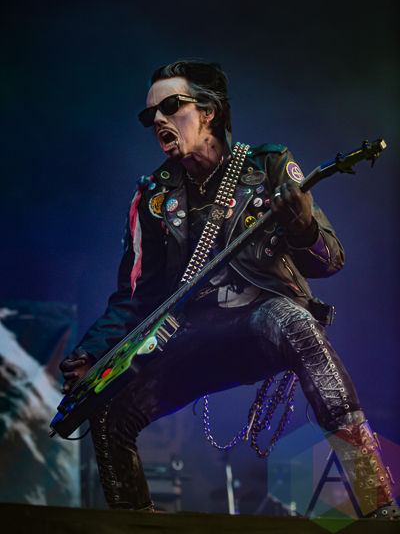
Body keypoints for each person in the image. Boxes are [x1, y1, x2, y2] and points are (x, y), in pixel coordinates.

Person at [60, 61, 399, 519]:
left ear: (209, 112)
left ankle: (379, 504)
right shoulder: (152, 197)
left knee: (294, 321)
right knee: (108, 412)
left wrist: (302, 227)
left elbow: (330, 261)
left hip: (259, 323)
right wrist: (93, 354)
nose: (158, 119)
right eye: (149, 115)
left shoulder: (268, 164)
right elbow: (135, 298)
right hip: (190, 337)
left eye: (171, 106)